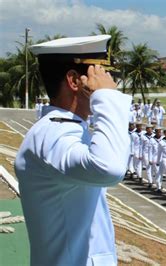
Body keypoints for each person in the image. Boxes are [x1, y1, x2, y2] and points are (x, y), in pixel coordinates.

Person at [15, 35, 131, 265]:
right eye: (100, 74)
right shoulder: (54, 133)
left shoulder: (67, 128)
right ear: (75, 81)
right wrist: (107, 97)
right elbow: (109, 169)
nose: (110, 82)